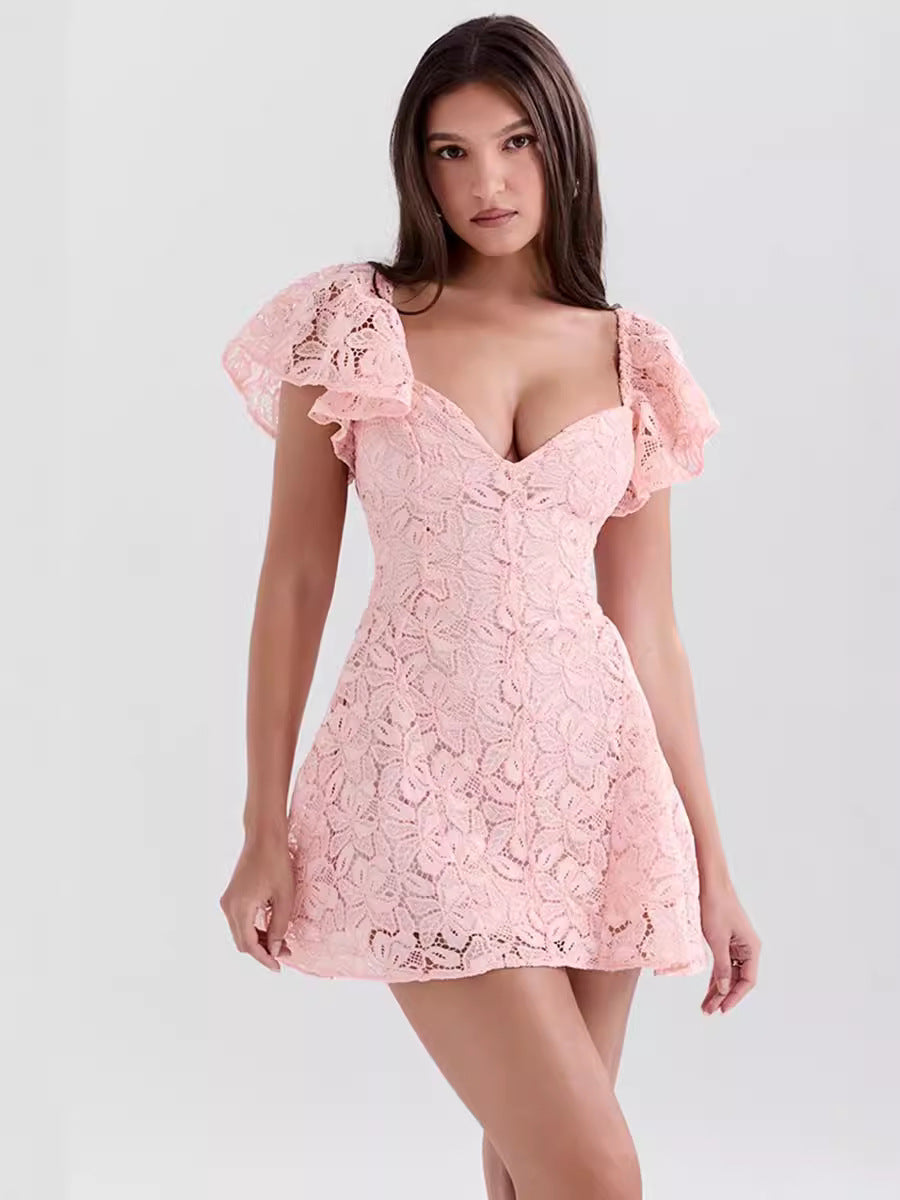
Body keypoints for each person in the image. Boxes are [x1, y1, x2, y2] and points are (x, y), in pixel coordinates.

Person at [219, 14, 760, 1200]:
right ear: (416, 167)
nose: (487, 183)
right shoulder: (357, 324)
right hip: (415, 780)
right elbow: (295, 579)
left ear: (563, 148)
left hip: (596, 791)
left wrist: (712, 859)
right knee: (596, 1173)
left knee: (533, 1176)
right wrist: (263, 823)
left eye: (516, 143)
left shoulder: (629, 355)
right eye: (450, 152)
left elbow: (649, 625)